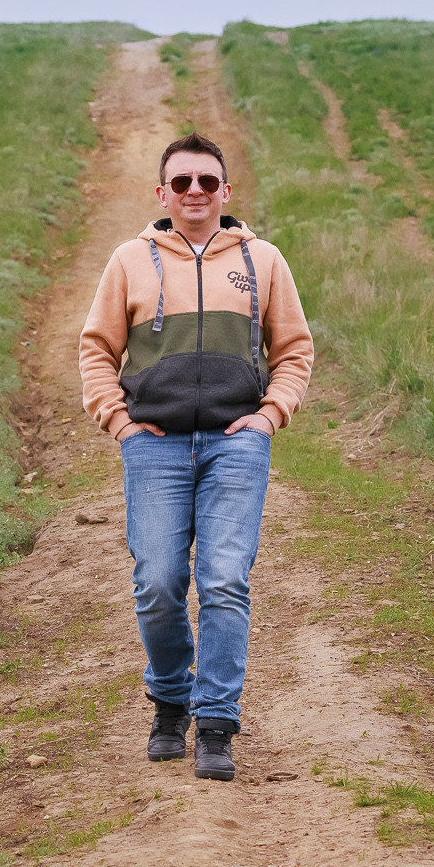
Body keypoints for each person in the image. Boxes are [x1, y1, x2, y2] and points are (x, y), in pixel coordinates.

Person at [78, 133, 315, 781]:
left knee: (224, 579)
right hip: (153, 446)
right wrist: (120, 423)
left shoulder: (263, 261)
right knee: (157, 582)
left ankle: (214, 722)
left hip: (235, 445)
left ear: (225, 191)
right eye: (181, 182)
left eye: (206, 181)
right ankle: (169, 698)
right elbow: (95, 349)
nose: (194, 192)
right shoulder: (130, 261)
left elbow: (294, 350)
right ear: (162, 194)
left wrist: (268, 417)